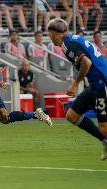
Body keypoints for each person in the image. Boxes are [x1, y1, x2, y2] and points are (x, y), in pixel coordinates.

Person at [47, 18, 107, 160]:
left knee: (104, 127)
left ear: (58, 33)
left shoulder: (68, 44)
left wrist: (75, 83)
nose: (50, 37)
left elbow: (87, 62)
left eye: (51, 34)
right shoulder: (70, 41)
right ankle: (105, 142)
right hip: (95, 84)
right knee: (72, 115)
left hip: (102, 84)